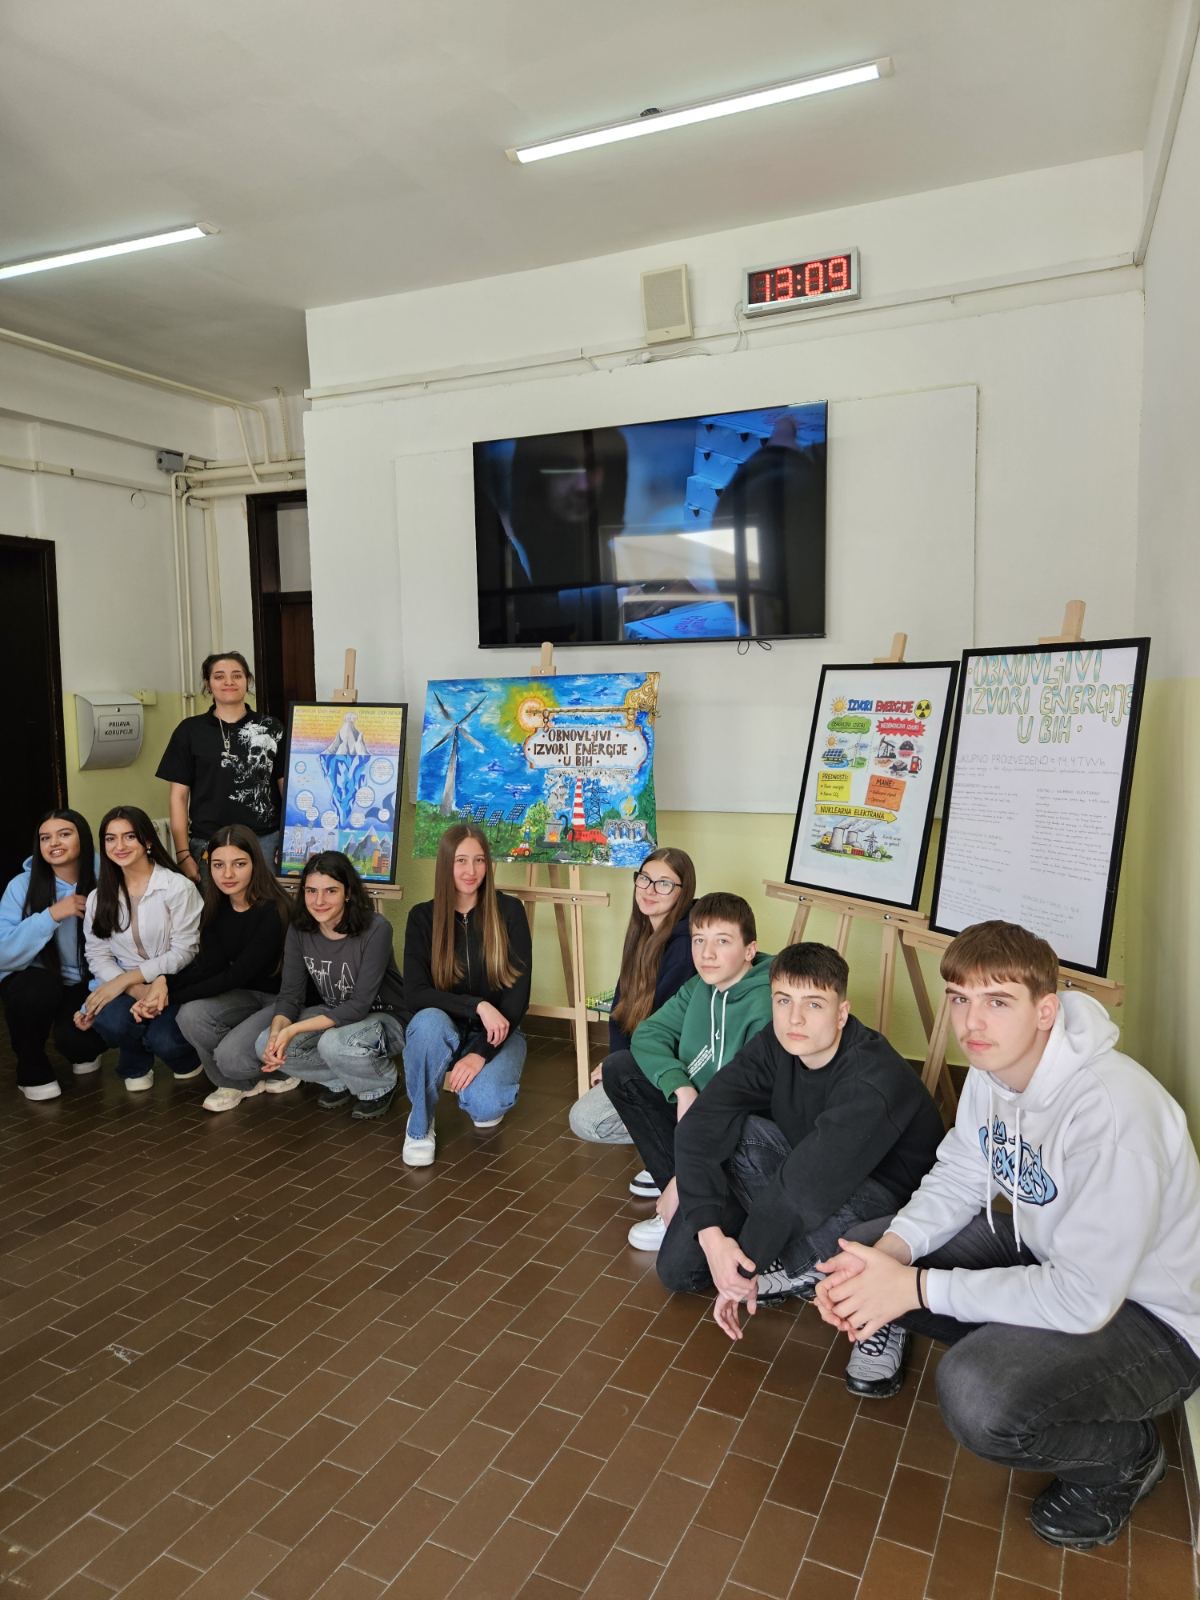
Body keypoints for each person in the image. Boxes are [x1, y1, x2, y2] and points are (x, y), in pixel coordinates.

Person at [814, 920, 1200, 1552]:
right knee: (868, 1244)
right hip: (1049, 1256)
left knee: (978, 1395)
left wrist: (913, 1288)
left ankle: (1124, 1457)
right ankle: (1022, 1351)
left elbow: (1084, 1297)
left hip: (1153, 1322)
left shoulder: (1114, 1117)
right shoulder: (995, 1070)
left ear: (1046, 1010)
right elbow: (961, 1173)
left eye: (998, 1001)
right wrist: (888, 1260)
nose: (972, 1022)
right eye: (959, 998)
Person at [668, 943, 943, 1386]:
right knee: (683, 1261)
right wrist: (712, 1237)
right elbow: (700, 1123)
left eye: (813, 1004)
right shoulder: (776, 1044)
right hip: (822, 1181)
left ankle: (884, 1311)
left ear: (841, 1012)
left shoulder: (872, 1075)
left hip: (895, 1217)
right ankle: (808, 1267)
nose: (794, 1019)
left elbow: (805, 1187)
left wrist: (746, 1267)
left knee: (792, 1186)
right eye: (783, 1001)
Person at [603, 891, 773, 1251]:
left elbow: (745, 1096)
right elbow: (648, 1033)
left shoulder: (765, 1002)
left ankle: (686, 1196)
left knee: (678, 1269)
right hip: (696, 1111)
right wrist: (681, 1087)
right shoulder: (699, 986)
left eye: (722, 941)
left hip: (737, 1125)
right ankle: (679, 1197)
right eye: (698, 940)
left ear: (749, 950)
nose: (706, 954)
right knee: (619, 1068)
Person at [225, 852, 407, 1119]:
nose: (319, 901)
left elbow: (358, 1006)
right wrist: (277, 1033)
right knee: (264, 1043)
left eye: (330, 891)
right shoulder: (300, 929)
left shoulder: (376, 927)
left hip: (387, 1018)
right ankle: (342, 1079)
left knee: (332, 1043)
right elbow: (290, 995)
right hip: (335, 1014)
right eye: (311, 891)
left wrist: (293, 1029)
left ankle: (380, 1084)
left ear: (348, 893)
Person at [125, 826, 292, 1113]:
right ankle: (235, 1083)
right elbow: (207, 966)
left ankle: (283, 1069)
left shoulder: (273, 910)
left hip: (282, 1001)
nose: (227, 874)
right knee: (190, 1015)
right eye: (218, 865)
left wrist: (167, 995)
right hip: (246, 996)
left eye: (239, 864)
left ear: (255, 863)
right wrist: (162, 983)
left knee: (228, 1053)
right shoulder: (217, 906)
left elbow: (234, 976)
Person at [401, 823, 532, 1167]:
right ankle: (419, 1125)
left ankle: (476, 1083)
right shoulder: (422, 917)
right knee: (428, 1022)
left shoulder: (510, 912)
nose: (470, 871)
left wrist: (480, 1054)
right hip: (441, 1028)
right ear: (446, 864)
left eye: (479, 860)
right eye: (461, 860)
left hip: (498, 1033)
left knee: (485, 1107)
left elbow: (517, 999)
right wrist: (478, 1006)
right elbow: (414, 994)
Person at [568, 846, 696, 1198]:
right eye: (644, 879)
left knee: (589, 1120)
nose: (650, 890)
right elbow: (621, 1010)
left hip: (673, 1065)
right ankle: (666, 1143)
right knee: (585, 1116)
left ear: (683, 891)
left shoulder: (685, 945)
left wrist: (623, 1069)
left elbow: (663, 1027)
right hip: (642, 1058)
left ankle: (677, 1157)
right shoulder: (643, 933)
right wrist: (614, 1062)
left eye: (664, 884)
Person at [77, 807, 203, 1091]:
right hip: (127, 985)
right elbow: (97, 954)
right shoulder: (99, 896)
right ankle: (135, 1060)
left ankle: (183, 1058)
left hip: (176, 980)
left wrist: (127, 980)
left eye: (129, 836)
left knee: (165, 1040)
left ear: (147, 841)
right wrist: (135, 990)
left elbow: (185, 951)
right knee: (109, 1020)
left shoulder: (177, 887)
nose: (119, 846)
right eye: (110, 839)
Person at [0, 810, 103, 1099]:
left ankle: (82, 1048)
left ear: (83, 838)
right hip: (37, 979)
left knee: (80, 1045)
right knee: (34, 991)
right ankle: (31, 1068)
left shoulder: (107, 877)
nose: (54, 843)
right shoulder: (21, 885)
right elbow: (2, 952)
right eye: (45, 838)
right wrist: (51, 915)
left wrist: (101, 991)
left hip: (88, 980)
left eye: (64, 834)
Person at [156, 651, 284, 881]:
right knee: (213, 904)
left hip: (264, 841)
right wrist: (183, 854)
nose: (229, 682)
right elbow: (178, 797)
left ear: (248, 681)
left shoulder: (271, 727)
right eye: (219, 676)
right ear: (208, 684)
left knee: (266, 903)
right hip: (209, 842)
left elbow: (287, 788)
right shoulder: (189, 731)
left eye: (237, 675)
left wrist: (288, 843)